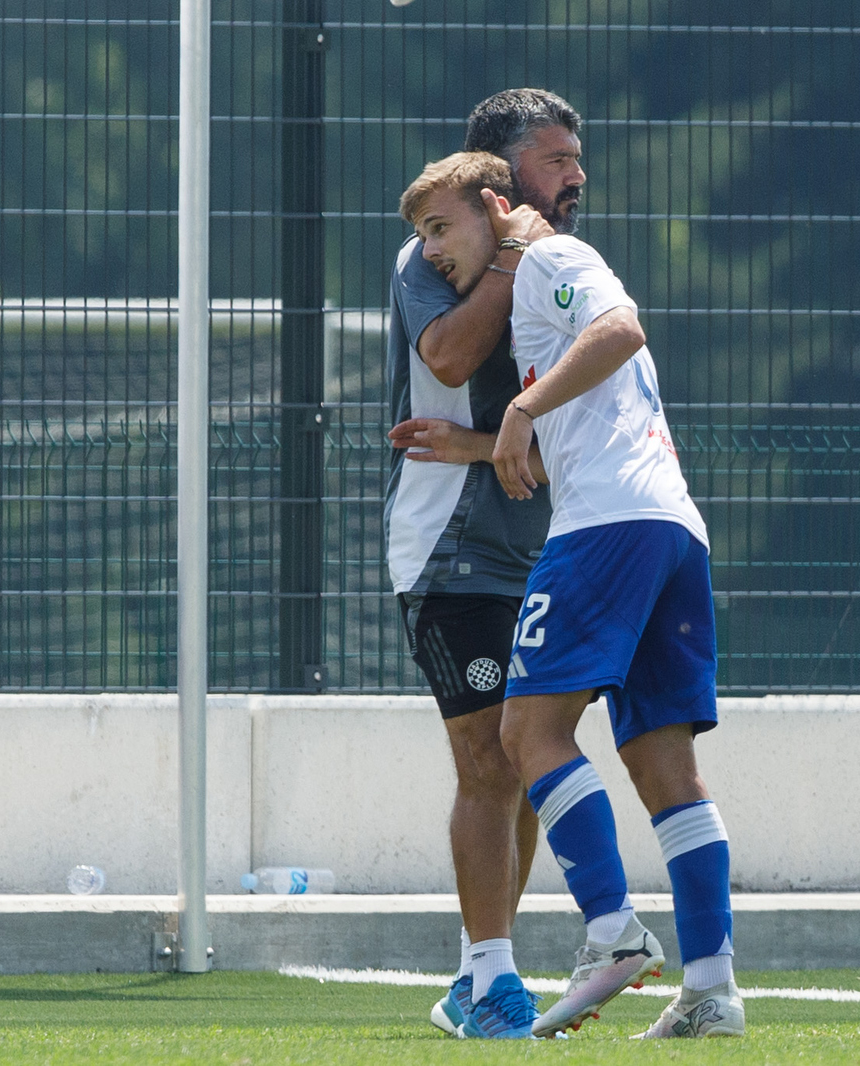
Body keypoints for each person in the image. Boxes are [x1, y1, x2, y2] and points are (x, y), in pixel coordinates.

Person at [484, 166, 746, 1038]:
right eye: (562, 159)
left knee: (528, 733)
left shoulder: (544, 255)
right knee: (664, 767)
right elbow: (588, 433)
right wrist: (482, 441)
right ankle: (711, 990)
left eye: (441, 229)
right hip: (671, 525)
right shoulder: (540, 285)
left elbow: (622, 327)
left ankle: (611, 933)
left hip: (606, 531)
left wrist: (520, 407)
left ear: (493, 200)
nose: (580, 174)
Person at [382, 89, 585, 1040]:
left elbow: (594, 432)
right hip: (451, 553)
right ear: (498, 180)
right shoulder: (432, 259)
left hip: (546, 547)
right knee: (490, 761)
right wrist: (509, 250)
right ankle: (491, 980)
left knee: (528, 754)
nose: (575, 177)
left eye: (576, 159)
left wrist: (485, 448)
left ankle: (486, 971)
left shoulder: (565, 271)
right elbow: (455, 359)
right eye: (553, 161)